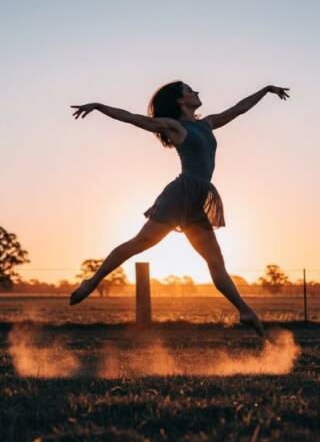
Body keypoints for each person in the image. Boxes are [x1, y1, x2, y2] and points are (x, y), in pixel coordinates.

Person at [69, 81, 290, 337]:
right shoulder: (175, 126)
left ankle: (245, 311)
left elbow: (240, 108)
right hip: (180, 193)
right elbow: (132, 118)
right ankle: (92, 282)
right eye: (188, 89)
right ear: (180, 100)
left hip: (198, 199)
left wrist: (265, 90)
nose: (196, 91)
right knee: (140, 242)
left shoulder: (207, 124)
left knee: (216, 262)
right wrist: (98, 106)